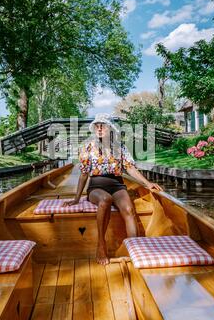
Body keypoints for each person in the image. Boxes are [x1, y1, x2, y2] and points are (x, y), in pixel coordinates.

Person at [64, 114, 162, 265]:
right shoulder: (87, 147)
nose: (100, 128)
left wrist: (147, 183)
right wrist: (77, 198)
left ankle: (134, 250)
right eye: (97, 125)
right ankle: (101, 245)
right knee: (105, 200)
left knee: (129, 209)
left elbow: (130, 168)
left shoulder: (120, 147)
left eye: (103, 125)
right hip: (96, 186)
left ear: (110, 128)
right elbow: (84, 174)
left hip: (117, 185)